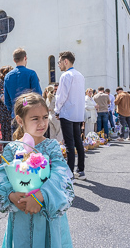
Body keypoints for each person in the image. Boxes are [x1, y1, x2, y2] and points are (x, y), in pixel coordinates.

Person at [0, 92, 74, 247]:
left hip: (47, 215)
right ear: (20, 120)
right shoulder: (12, 149)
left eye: (44, 117)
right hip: (21, 213)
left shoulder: (52, 146)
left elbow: (61, 175)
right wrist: (11, 195)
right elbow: (2, 176)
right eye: (35, 119)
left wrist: (40, 196)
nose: (42, 123)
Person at [54, 51, 86, 180]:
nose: (58, 65)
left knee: (69, 144)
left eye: (59, 62)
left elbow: (61, 95)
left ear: (65, 61)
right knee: (78, 141)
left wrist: (57, 110)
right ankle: (81, 170)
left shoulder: (66, 75)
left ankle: (70, 173)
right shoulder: (80, 75)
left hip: (67, 113)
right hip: (78, 113)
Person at [4, 48, 42, 118]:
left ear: (14, 60)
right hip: (29, 113)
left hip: (16, 114)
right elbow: (37, 95)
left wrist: (13, 110)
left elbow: (7, 100)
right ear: (25, 58)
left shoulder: (7, 76)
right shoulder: (31, 74)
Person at [0, 66, 13, 141]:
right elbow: (3, 98)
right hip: (4, 114)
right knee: (6, 137)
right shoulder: (0, 82)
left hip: (8, 114)